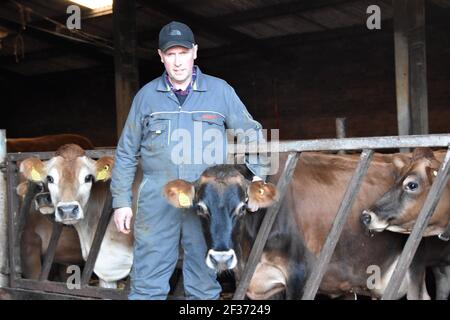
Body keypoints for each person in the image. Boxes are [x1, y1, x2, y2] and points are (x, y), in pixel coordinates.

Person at [110, 21, 269, 300]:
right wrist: (121, 201)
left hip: (208, 200)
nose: (177, 62)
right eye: (170, 55)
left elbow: (252, 133)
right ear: (161, 56)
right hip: (158, 199)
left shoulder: (220, 91)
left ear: (194, 52)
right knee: (147, 279)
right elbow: (125, 152)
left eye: (183, 53)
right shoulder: (146, 97)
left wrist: (257, 176)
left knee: (204, 280)